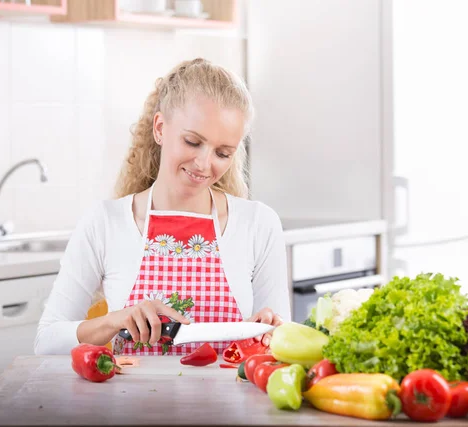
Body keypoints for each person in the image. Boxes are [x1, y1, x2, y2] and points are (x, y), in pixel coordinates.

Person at [34, 58, 290, 356]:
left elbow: (280, 343)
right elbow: (46, 342)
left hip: (230, 402)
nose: (204, 164)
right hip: (131, 402)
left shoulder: (258, 224)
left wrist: (273, 331)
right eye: (193, 142)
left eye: (222, 153)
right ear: (160, 128)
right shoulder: (105, 222)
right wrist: (114, 321)